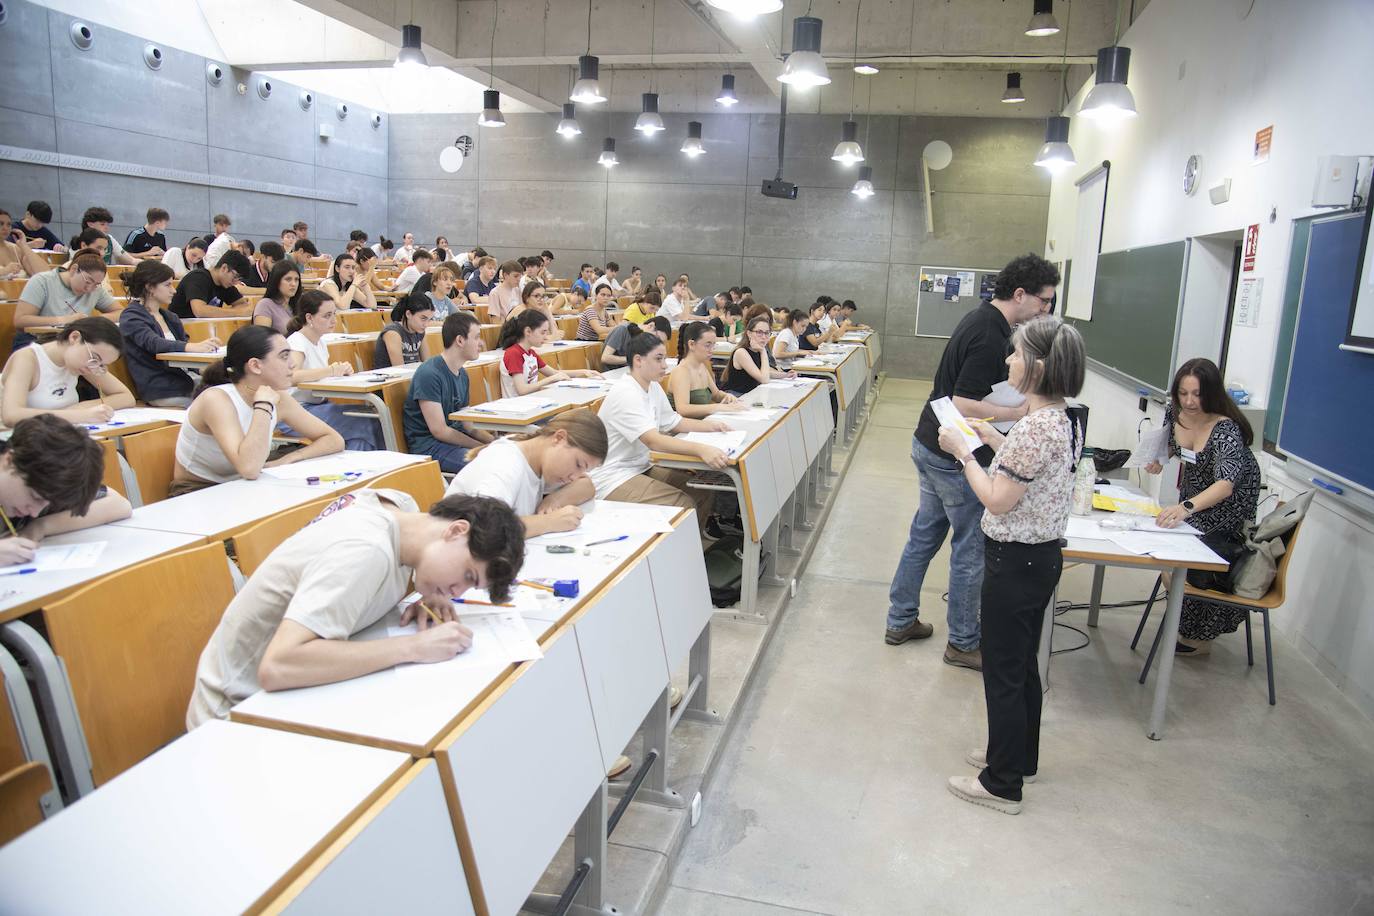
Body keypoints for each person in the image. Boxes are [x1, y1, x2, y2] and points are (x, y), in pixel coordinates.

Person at [186, 489, 525, 728]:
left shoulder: (402, 511)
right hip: (235, 710)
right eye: (466, 575)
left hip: (291, 697)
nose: (456, 592)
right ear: (455, 530)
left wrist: (432, 588)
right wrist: (413, 647)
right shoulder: (365, 551)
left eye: (469, 586)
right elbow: (277, 667)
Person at [937, 315, 1085, 815]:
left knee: (1002, 669)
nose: (1008, 361)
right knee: (1021, 666)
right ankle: (1019, 755)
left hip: (1013, 560)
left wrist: (964, 454)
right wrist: (993, 440)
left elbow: (999, 500)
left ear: (1038, 367)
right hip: (1039, 559)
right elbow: (1029, 472)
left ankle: (1001, 783)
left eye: (1017, 354)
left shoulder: (1033, 428)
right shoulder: (1060, 419)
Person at [885, 253, 1055, 671]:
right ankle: (963, 642)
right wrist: (1018, 413)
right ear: (1021, 294)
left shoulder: (981, 317)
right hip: (949, 452)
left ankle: (900, 619)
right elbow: (962, 401)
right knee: (969, 548)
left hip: (930, 441)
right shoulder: (991, 334)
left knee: (924, 535)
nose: (1046, 309)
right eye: (1044, 300)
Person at [1146, 357, 1262, 655]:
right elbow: (1173, 445)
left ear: (1211, 394)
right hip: (1195, 497)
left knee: (1190, 550)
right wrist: (1160, 457)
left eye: (1196, 394)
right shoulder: (1175, 411)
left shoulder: (1226, 430)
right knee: (1164, 537)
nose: (1189, 401)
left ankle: (1196, 634)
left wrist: (1185, 508)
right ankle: (1182, 612)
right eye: (1183, 393)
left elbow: (1225, 484)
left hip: (1226, 504)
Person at [172, 326, 344, 494]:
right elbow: (249, 468)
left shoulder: (278, 397)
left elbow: (333, 439)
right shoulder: (216, 400)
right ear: (255, 365)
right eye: (284, 357)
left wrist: (290, 458)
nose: (292, 364)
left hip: (245, 484)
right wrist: (262, 406)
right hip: (198, 491)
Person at [589, 333, 731, 536]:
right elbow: (653, 441)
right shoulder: (626, 392)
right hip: (612, 476)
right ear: (638, 360)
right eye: (658, 359)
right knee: (681, 504)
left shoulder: (653, 386)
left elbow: (674, 422)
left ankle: (691, 551)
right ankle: (676, 559)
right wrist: (701, 449)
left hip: (640, 466)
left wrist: (714, 426)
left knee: (701, 490)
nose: (665, 365)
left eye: (665, 358)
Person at [449, 410, 608, 538]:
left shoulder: (538, 457)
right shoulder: (505, 463)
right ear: (559, 438)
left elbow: (586, 486)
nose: (574, 476)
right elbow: (485, 528)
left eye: (583, 469)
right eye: (578, 464)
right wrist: (548, 522)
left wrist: (554, 500)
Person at [0, 415, 132, 566]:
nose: (35, 512)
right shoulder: (35, 472)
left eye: (45, 502)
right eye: (34, 497)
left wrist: (40, 526)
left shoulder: (42, 481)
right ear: (9, 460)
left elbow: (119, 505)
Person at [283, 291, 383, 451]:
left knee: (366, 423)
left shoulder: (320, 342)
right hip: (296, 413)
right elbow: (291, 377)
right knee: (366, 422)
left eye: (334, 314)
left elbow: (321, 374)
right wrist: (331, 370)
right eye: (327, 316)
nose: (333, 321)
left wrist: (341, 371)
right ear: (309, 318)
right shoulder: (297, 342)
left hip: (317, 406)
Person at [119, 260, 222, 407]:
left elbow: (185, 357)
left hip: (185, 381)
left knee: (229, 390)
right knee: (218, 402)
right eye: (167, 285)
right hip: (162, 388)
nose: (174, 290)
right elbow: (154, 343)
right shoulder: (131, 317)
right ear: (150, 288)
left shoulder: (170, 317)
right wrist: (192, 347)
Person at [0, 316, 134, 427]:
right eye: (94, 358)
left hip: (58, 436)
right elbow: (12, 416)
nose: (93, 367)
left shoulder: (84, 363)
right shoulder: (27, 358)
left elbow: (126, 397)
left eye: (101, 365)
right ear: (74, 338)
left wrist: (82, 408)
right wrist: (81, 415)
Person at [403, 313, 493, 472]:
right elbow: (440, 431)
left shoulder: (462, 374)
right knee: (488, 465)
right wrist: (481, 448)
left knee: (505, 456)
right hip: (430, 446)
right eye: (476, 337)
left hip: (453, 441)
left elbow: (468, 424)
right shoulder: (429, 374)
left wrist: (494, 443)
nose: (481, 343)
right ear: (460, 340)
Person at [11, 251, 119, 351]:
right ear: (73, 269)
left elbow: (121, 312)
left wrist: (92, 320)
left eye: (96, 284)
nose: (89, 289)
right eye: (88, 281)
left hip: (72, 342)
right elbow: (20, 320)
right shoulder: (42, 281)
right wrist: (65, 319)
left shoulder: (96, 290)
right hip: (35, 341)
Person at [498, 311, 599, 397]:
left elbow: (555, 373)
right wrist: (551, 379)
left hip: (531, 402)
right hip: (518, 408)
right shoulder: (513, 354)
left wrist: (584, 371)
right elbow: (522, 390)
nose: (546, 337)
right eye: (543, 332)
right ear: (528, 331)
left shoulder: (530, 353)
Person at [669, 322, 742, 417]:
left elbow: (716, 395)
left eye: (713, 345)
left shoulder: (702, 366)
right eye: (708, 345)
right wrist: (716, 407)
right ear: (691, 344)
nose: (712, 349)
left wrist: (727, 396)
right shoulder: (681, 371)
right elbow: (683, 409)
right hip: (686, 428)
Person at [168, 250, 253, 320]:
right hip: (180, 328)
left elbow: (243, 305)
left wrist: (240, 311)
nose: (235, 282)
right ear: (224, 268)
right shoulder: (198, 278)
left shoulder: (225, 284)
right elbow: (200, 311)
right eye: (235, 277)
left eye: (239, 280)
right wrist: (236, 312)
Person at [723, 315, 792, 396]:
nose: (764, 337)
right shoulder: (741, 352)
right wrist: (763, 351)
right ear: (749, 333)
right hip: (736, 396)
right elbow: (764, 379)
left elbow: (767, 372)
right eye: (759, 332)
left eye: (767, 333)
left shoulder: (757, 349)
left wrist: (786, 375)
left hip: (751, 394)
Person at [376, 298, 434, 369]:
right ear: (408, 314)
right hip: (391, 378)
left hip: (409, 375)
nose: (426, 324)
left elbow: (427, 363)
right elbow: (400, 369)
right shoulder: (393, 332)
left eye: (429, 319)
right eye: (423, 318)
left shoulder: (420, 331)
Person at [251, 262, 302, 335]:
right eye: (288, 279)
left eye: (296, 279)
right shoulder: (265, 305)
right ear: (276, 281)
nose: (293, 284)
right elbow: (261, 339)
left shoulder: (298, 305)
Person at [602, 315, 669, 369]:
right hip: (613, 374)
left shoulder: (645, 339)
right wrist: (632, 359)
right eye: (657, 337)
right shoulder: (622, 329)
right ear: (650, 326)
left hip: (630, 371)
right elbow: (605, 358)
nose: (656, 341)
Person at [0, 209, 48, 279]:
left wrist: (24, 246)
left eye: (8, 224)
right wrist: (5, 271)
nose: (5, 228)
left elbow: (45, 274)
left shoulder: (15, 249)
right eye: (1, 224)